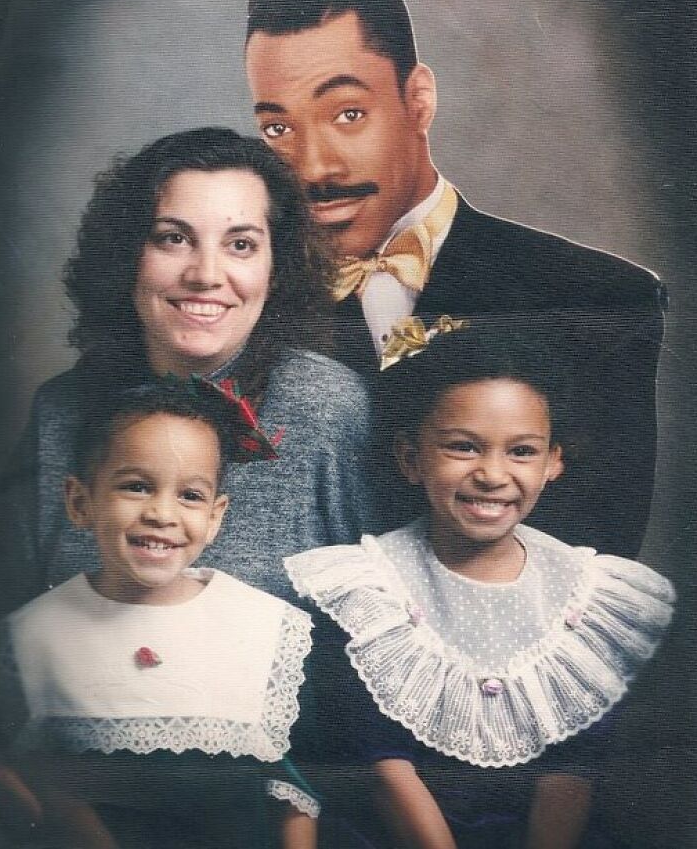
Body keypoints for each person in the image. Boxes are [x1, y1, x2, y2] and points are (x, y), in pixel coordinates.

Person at [244, 0, 667, 559]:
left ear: (418, 100)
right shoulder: (240, 307)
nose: (313, 168)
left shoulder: (596, 297)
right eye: (277, 129)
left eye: (348, 114)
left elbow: (593, 562)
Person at [284, 317, 675, 849]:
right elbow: (387, 770)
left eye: (521, 451)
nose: (492, 474)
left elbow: (568, 775)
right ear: (411, 457)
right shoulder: (369, 588)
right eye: (463, 447)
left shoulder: (589, 595)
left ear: (553, 461)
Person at [0, 125, 384, 618]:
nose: (204, 274)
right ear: (127, 256)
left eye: (240, 245)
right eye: (173, 238)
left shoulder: (327, 408)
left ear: (276, 267)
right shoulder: (62, 409)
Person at [0, 378, 317, 848]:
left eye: (190, 495)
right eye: (136, 486)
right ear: (80, 502)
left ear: (215, 516)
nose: (162, 514)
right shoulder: (33, 634)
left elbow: (294, 791)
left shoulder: (265, 627)